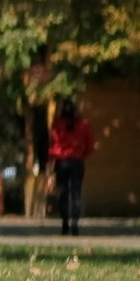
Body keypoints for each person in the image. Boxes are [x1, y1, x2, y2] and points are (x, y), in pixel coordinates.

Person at [48, 98, 95, 237]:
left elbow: (52, 147)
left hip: (61, 162)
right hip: (76, 162)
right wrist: (81, 155)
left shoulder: (57, 125)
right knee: (76, 192)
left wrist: (51, 164)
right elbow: (90, 146)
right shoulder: (84, 125)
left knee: (63, 193)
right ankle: (74, 222)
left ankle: (64, 223)